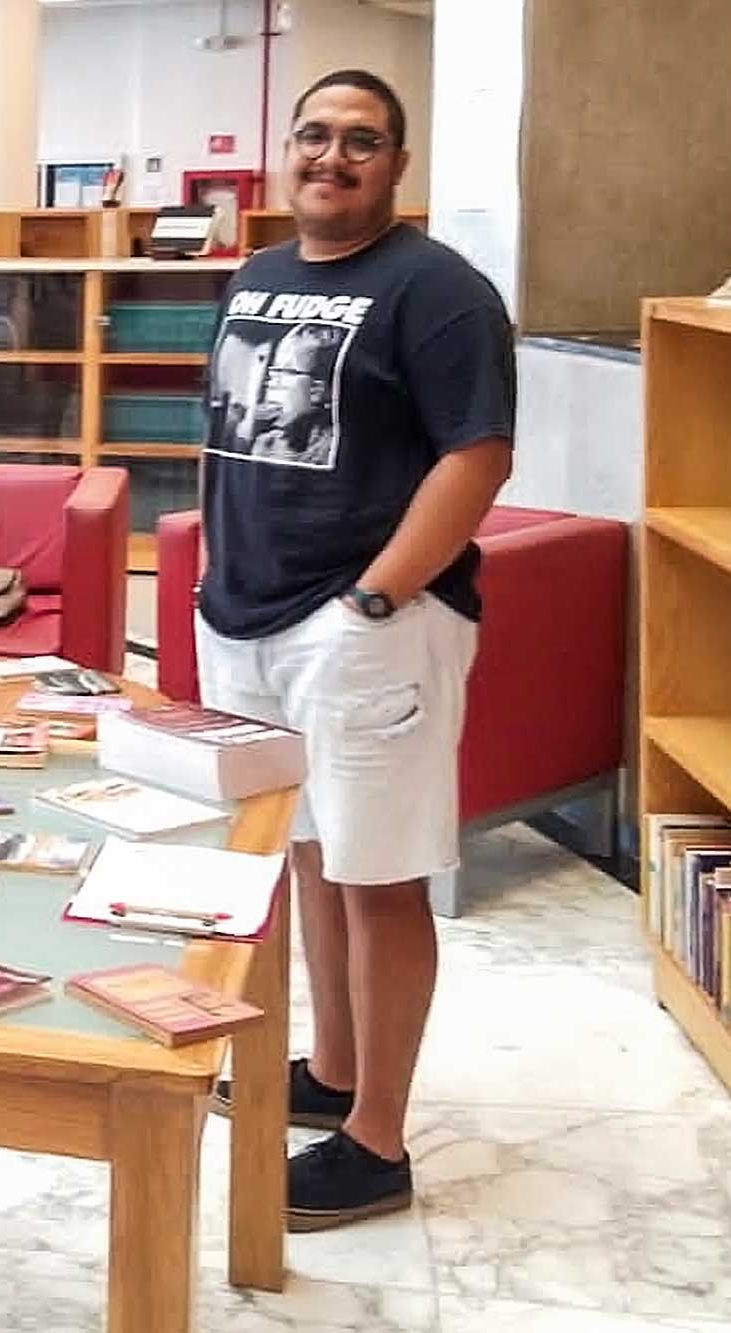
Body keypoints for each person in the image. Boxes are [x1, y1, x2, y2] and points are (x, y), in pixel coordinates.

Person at [198, 70, 515, 1232]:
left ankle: (375, 1139)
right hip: (246, 620)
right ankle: (331, 1070)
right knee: (310, 858)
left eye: (360, 142)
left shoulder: (437, 291)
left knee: (378, 876)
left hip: (365, 630)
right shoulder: (257, 273)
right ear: (286, 149)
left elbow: (476, 456)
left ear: (395, 166)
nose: (330, 157)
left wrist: (376, 596)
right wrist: (215, 578)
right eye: (314, 135)